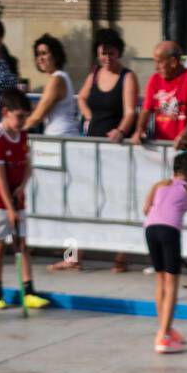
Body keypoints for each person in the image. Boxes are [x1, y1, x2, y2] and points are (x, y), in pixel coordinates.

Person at [58, 30, 138, 274]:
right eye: (103, 53)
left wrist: (120, 131)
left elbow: (130, 112)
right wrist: (89, 116)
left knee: (118, 203)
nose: (107, 58)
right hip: (91, 147)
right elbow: (80, 98)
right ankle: (72, 257)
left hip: (117, 150)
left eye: (111, 53)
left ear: (119, 53)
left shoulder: (127, 77)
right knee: (80, 202)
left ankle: (120, 258)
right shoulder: (94, 74)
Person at [0, 87, 49, 311]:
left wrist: (22, 186)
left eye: (25, 116)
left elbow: (28, 164)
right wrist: (9, 208)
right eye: (19, 116)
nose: (23, 121)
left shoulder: (22, 134)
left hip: (16, 195)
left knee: (21, 243)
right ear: (6, 112)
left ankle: (28, 290)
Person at [143, 151, 187, 353]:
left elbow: (146, 208)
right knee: (172, 285)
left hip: (150, 229)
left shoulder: (159, 185)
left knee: (161, 280)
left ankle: (165, 328)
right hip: (169, 232)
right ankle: (163, 336)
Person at [132, 41, 187, 149]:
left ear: (173, 62)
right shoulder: (155, 79)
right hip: (162, 147)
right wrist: (139, 130)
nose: (156, 67)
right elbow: (146, 110)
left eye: (159, 62)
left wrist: (185, 135)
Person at [25, 35, 78, 137]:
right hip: (61, 135)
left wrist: (12, 129)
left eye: (44, 53)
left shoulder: (56, 80)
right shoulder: (61, 77)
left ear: (55, 55)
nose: (40, 58)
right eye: (37, 54)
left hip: (60, 136)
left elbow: (37, 117)